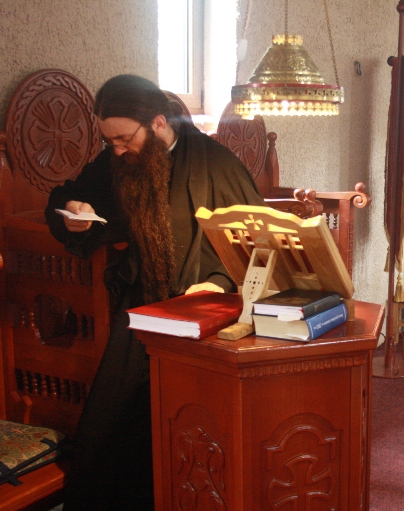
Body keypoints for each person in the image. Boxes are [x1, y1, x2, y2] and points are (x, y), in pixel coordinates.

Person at [45, 74, 265, 509]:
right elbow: (68, 196)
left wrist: (218, 283)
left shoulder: (216, 164)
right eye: (109, 142)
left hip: (208, 316)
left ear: (158, 123)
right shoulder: (117, 161)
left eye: (124, 139)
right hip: (142, 311)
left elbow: (254, 245)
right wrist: (74, 211)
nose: (117, 150)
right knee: (108, 429)